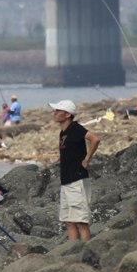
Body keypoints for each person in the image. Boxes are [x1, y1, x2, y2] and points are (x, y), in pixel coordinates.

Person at [50, 100, 100, 241]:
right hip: (66, 180)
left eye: (57, 111)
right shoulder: (63, 132)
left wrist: (87, 159)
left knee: (81, 222)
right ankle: (72, 252)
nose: (54, 113)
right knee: (69, 221)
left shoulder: (75, 128)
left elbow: (95, 139)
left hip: (76, 179)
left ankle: (85, 252)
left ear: (67, 115)